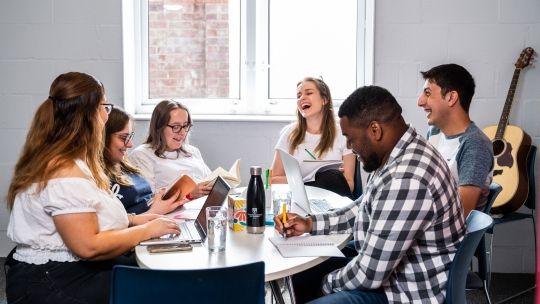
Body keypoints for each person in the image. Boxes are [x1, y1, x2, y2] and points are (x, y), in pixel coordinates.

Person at [275, 85, 465, 304]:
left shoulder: (406, 180)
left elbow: (369, 274)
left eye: (350, 138)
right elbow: (361, 207)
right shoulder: (401, 150)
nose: (349, 147)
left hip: (406, 292)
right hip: (392, 275)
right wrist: (309, 224)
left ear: (375, 130)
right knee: (303, 273)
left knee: (314, 282)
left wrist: (325, 284)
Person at [5, 72, 181, 304]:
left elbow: (88, 217)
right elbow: (88, 247)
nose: (106, 115)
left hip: (65, 269)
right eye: (104, 106)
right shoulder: (64, 169)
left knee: (160, 272)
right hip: (51, 279)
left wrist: (135, 220)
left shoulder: (70, 160)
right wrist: (148, 230)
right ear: (88, 115)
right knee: (160, 288)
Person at [418, 63, 493, 217]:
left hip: (446, 237)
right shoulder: (434, 132)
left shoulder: (475, 145)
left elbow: (461, 213)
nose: (420, 102)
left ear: (451, 98)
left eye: (427, 93)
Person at [270, 77, 356, 198]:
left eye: (309, 93)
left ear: (325, 99)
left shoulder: (343, 133)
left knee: (332, 177)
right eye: (298, 95)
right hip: (300, 199)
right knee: (330, 177)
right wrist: (305, 181)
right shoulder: (289, 134)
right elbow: (273, 180)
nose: (302, 98)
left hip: (332, 198)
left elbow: (349, 184)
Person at [104, 107, 186, 214]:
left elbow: (146, 200)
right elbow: (116, 223)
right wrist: (155, 212)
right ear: (103, 138)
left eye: (130, 137)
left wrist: (163, 197)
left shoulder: (124, 165)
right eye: (123, 138)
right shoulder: (96, 177)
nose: (130, 144)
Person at [129, 99, 212, 199]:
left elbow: (210, 179)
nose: (182, 132)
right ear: (159, 127)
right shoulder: (142, 155)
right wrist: (189, 195)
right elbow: (148, 201)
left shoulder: (192, 151)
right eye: (176, 126)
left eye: (185, 125)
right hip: (173, 213)